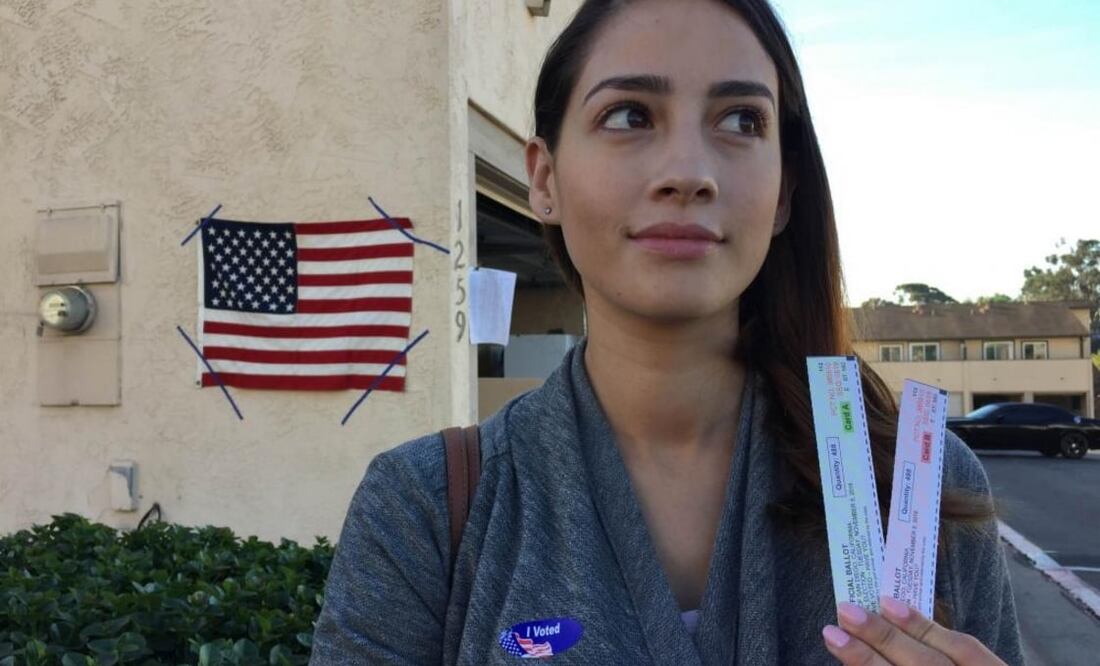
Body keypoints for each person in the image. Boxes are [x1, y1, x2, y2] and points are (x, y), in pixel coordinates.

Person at [309, 0, 1024, 663]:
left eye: (742, 120)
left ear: (786, 193)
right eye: (628, 115)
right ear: (544, 178)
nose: (688, 172)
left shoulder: (921, 493)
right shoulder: (424, 509)